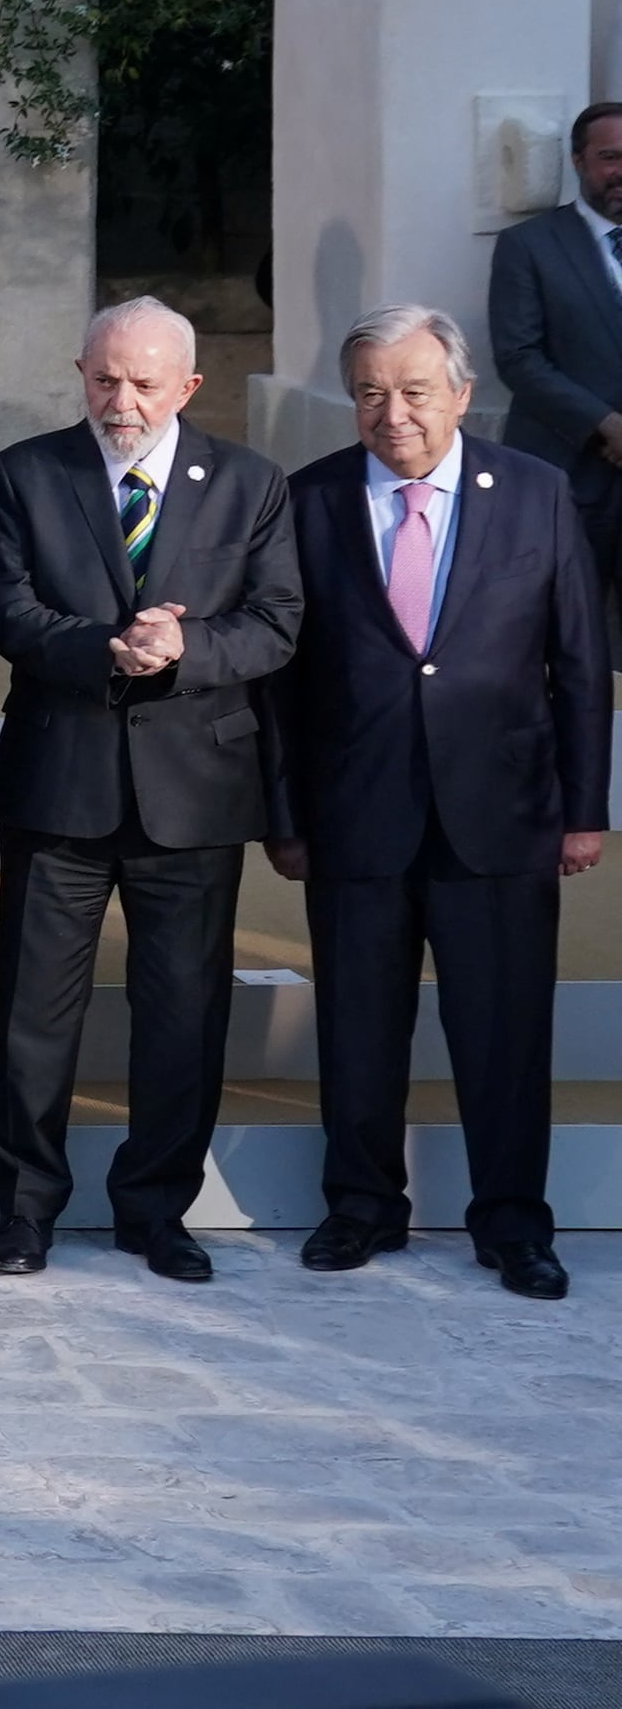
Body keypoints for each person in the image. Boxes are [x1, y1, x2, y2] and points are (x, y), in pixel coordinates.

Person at [269, 305, 608, 1300]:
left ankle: (512, 1223)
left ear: (460, 393)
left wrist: (580, 808)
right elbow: (278, 679)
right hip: (350, 811)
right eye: (369, 391)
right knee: (356, 1025)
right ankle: (359, 1207)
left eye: (413, 389)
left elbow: (579, 664)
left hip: (498, 813)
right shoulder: (306, 500)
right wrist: (283, 813)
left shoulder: (536, 495)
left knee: (504, 1032)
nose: (392, 413)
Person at [0, 298, 302, 1283]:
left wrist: (184, 647)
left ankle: (155, 1210)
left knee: (182, 1012)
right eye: (103, 378)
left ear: (187, 387)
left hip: (192, 790)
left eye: (143, 383)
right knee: (32, 1012)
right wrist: (103, 647)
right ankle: (22, 1211)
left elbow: (276, 620)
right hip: (57, 781)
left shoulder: (249, 483)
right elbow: (5, 607)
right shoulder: (23, 472)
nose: (120, 400)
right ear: (78, 371)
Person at [483, 97, 622, 574]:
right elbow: (518, 357)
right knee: (566, 631)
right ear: (579, 161)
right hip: (566, 475)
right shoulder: (529, 246)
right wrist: (607, 425)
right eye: (610, 157)